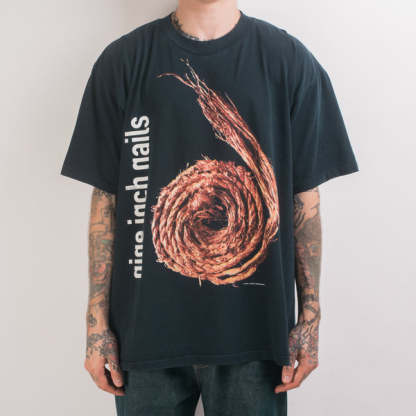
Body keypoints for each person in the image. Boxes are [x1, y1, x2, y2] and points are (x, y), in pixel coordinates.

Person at [60, 0, 359, 414]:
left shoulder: (288, 61)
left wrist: (310, 319)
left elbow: (304, 200)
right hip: (144, 338)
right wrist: (96, 325)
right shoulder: (124, 61)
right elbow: (107, 202)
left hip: (254, 340)